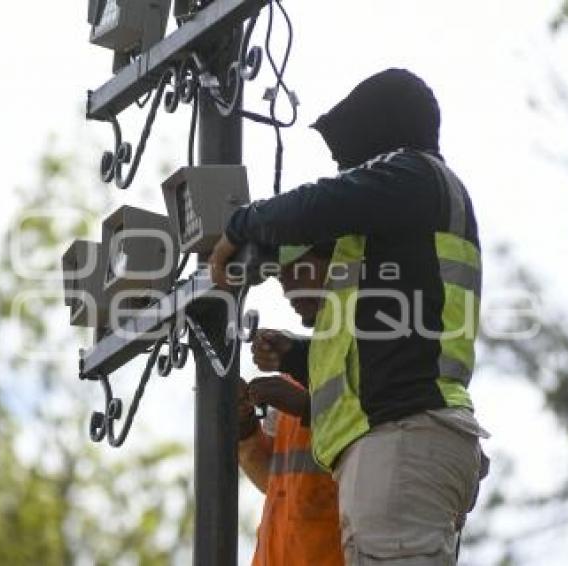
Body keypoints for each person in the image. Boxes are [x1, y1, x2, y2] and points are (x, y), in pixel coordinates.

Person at [211, 68, 490, 565]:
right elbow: (382, 352)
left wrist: (240, 226)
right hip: (407, 439)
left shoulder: (416, 174)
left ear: (382, 132)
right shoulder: (412, 213)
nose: (347, 170)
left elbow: (320, 203)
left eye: (353, 158)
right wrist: (299, 356)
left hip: (403, 440)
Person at [237, 243, 343, 566]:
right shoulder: (297, 369)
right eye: (281, 278)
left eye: (297, 271)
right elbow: (277, 482)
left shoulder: (379, 356)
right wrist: (245, 428)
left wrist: (305, 406)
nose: (287, 290)